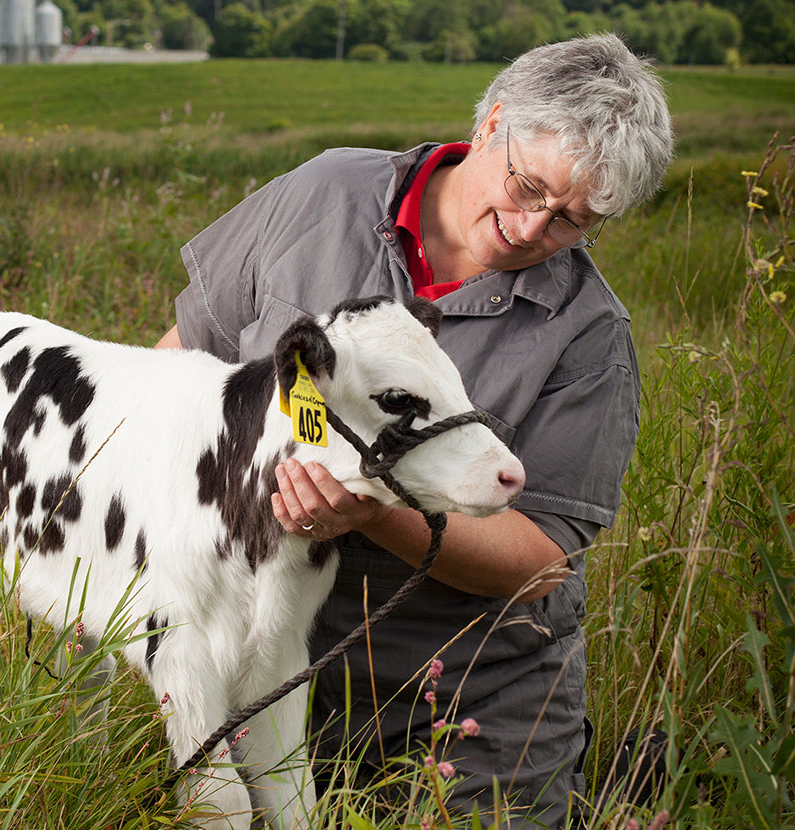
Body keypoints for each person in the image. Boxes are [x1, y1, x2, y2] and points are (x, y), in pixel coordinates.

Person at [155, 33, 673, 827]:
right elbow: (178, 367)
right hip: (259, 663)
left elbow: (537, 565)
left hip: (467, 698)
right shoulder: (323, 194)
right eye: (527, 184)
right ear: (493, 121)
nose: (532, 227)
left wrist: (375, 510)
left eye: (574, 220)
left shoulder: (589, 339)